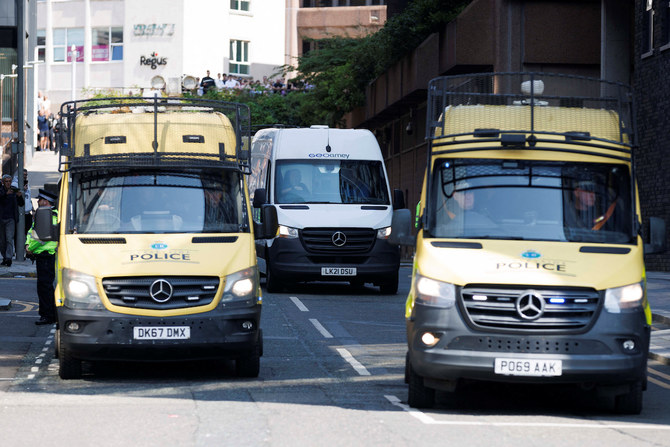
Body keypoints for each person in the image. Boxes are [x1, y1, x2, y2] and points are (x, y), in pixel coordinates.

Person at [25, 189, 58, 325]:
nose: (38, 202)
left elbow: (39, 237)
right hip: (45, 256)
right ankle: (51, 314)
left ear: (46, 202)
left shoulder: (47, 216)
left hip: (45, 255)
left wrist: (30, 248)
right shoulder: (47, 214)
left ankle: (47, 316)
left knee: (45, 288)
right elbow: (31, 231)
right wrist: (28, 243)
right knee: (47, 287)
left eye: (40, 200)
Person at [0, 173, 25, 266]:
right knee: (2, 241)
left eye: (9, 181)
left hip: (11, 219)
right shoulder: (1, 191)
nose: (8, 183)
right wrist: (6, 194)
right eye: (6, 181)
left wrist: (19, 196)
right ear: (3, 182)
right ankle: (4, 257)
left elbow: (21, 204)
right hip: (1, 218)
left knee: (9, 239)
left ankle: (9, 258)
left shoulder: (14, 190)